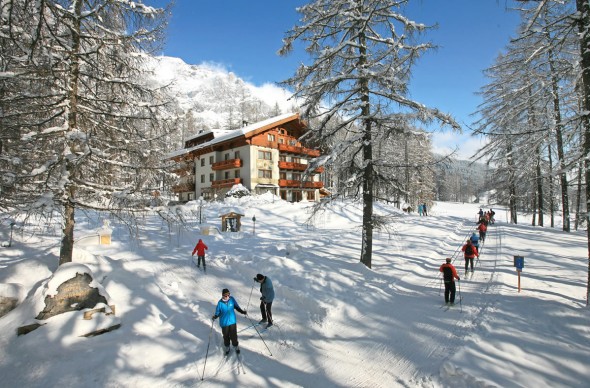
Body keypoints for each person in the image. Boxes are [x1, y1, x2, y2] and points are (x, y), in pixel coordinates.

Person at [212, 288, 247, 355]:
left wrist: (242, 312)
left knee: (234, 335)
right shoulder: (220, 303)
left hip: (232, 321)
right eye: (225, 295)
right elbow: (218, 312)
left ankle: (236, 345)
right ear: (222, 295)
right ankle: (227, 346)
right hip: (224, 323)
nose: (227, 296)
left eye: (228, 295)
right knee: (226, 336)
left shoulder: (232, 299)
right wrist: (215, 316)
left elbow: (237, 307)